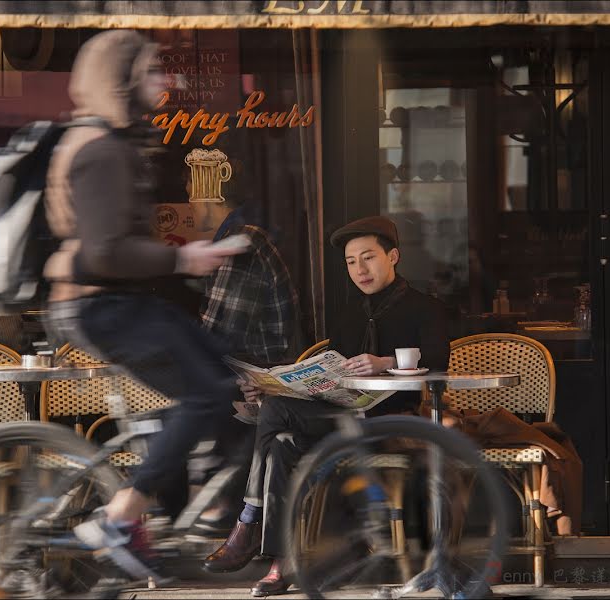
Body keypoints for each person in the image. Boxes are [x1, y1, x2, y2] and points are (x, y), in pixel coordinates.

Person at [41, 30, 245, 580]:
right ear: (124, 79)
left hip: (121, 302)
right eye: (155, 71)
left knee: (224, 371)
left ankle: (213, 506)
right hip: (102, 305)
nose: (168, 80)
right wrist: (183, 259)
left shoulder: (113, 141)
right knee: (205, 394)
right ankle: (123, 515)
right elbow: (106, 252)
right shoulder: (101, 151)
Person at [202, 215, 450, 596]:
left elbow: (438, 360)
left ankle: (250, 523)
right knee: (280, 438)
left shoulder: (425, 307)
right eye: (351, 262)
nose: (359, 269)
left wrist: (383, 363)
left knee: (278, 425)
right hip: (343, 419)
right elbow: (333, 372)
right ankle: (281, 560)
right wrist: (275, 388)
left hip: (392, 421)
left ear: (394, 256)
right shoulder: (349, 312)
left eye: (368, 258)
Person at [188, 186, 303, 537]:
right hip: (253, 369)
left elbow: (220, 328)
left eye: (193, 198)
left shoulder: (242, 243)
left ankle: (227, 510)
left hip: (262, 375)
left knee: (197, 399)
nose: (191, 208)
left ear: (210, 198)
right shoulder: (237, 239)